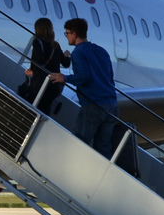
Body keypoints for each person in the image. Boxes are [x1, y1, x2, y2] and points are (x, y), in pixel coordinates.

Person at [49, 18, 118, 156]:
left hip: (93, 105)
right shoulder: (101, 51)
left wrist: (64, 78)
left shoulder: (78, 52)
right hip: (111, 105)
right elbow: (110, 77)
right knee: (103, 150)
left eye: (67, 33)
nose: (66, 36)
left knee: (79, 145)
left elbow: (83, 77)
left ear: (74, 34)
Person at [19, 18, 68, 113]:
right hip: (55, 85)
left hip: (42, 84)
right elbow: (66, 63)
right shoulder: (56, 45)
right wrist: (66, 55)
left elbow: (38, 62)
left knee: (30, 108)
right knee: (44, 109)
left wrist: (31, 72)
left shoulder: (37, 42)